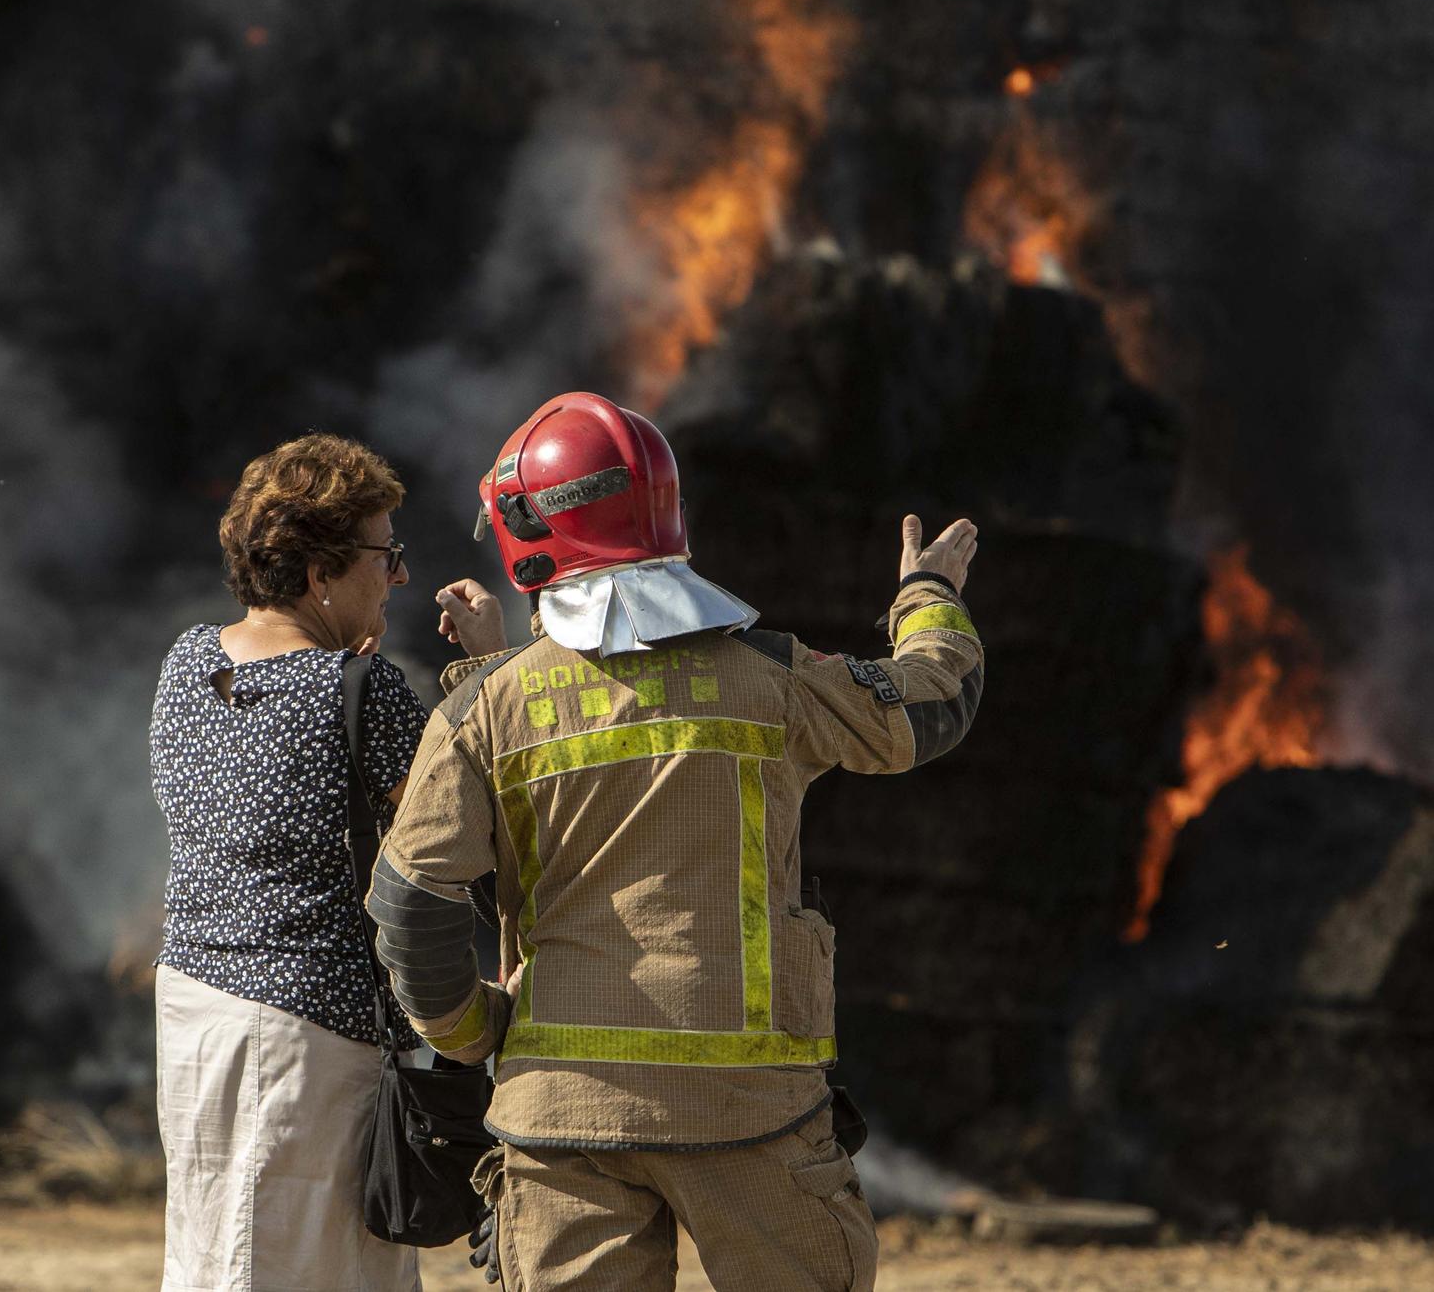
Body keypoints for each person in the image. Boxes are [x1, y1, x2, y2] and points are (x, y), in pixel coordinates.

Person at [366, 392, 984, 1291]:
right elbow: (932, 701)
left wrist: (472, 1031)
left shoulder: (486, 706)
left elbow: (412, 903)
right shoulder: (769, 676)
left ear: (529, 535)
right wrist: (927, 596)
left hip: (562, 1116)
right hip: (754, 1112)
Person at [149, 433, 505, 1292]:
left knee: (216, 1254)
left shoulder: (187, 662)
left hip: (194, 1014)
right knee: (297, 1265)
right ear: (319, 576)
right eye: (387, 556)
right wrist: (489, 663)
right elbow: (484, 814)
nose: (401, 578)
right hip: (306, 1039)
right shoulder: (355, 690)